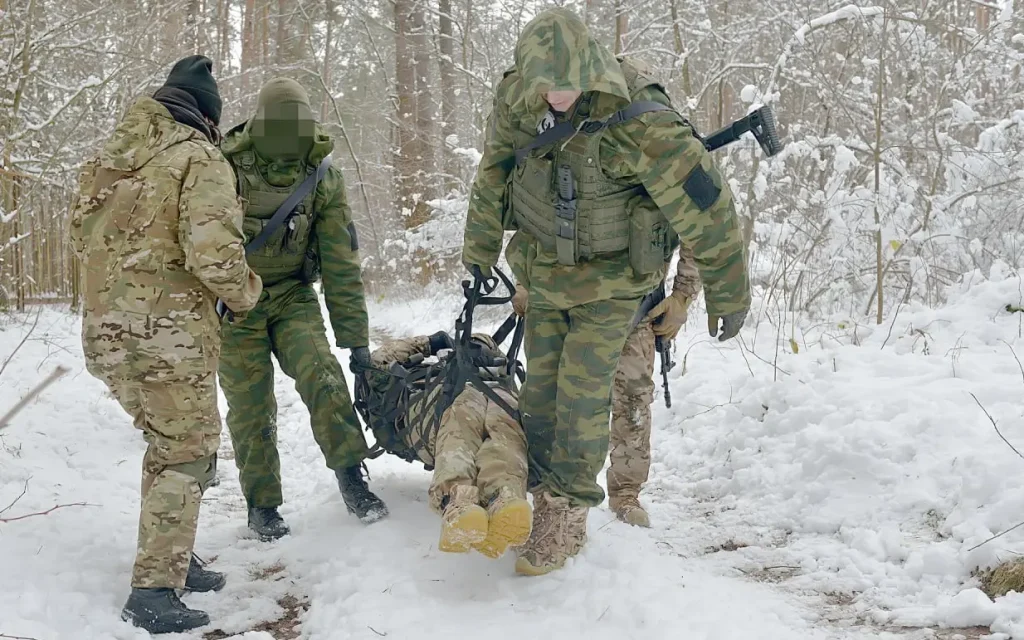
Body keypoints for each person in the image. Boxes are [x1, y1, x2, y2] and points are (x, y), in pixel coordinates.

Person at [461, 8, 751, 576]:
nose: (558, 94)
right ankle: (541, 492)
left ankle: (567, 515)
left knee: (583, 390)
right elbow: (493, 174)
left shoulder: (639, 119)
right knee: (541, 393)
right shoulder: (517, 103)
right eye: (547, 84)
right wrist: (477, 253)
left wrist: (726, 295)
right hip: (546, 274)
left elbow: (709, 210)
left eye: (568, 83)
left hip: (617, 281)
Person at [68, 55, 262, 634]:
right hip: (169, 340)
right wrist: (247, 293)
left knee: (164, 442)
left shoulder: (104, 162)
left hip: (106, 335)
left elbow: (83, 238)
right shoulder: (199, 159)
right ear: (207, 116)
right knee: (189, 452)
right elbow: (215, 256)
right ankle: (153, 591)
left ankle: (175, 557)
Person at [217, 77, 386, 540]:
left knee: (324, 376)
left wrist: (356, 341)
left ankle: (352, 478)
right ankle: (262, 506)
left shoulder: (323, 176)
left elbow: (339, 261)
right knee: (251, 408)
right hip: (235, 302)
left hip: (293, 296)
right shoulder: (225, 168)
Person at [512, 246, 700, 529]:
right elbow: (534, 213)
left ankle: (626, 492)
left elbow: (696, 225)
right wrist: (524, 281)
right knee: (554, 395)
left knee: (633, 399)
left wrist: (682, 297)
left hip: (637, 305)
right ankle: (547, 493)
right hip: (562, 299)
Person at [354, 332, 530, 558]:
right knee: (462, 412)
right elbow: (378, 358)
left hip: (489, 391)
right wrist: (428, 343)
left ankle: (505, 498)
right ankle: (458, 501)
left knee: (506, 417)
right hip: (430, 411)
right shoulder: (385, 375)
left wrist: (474, 347)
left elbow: (489, 345)